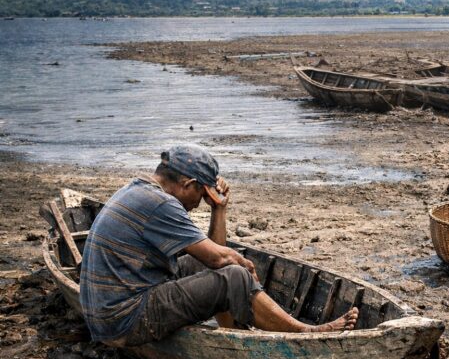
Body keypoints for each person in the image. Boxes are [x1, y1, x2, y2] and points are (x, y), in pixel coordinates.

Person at [79, 144, 358, 347]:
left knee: (224, 266)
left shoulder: (139, 188)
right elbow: (218, 258)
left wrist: (219, 210)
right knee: (234, 274)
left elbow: (209, 253)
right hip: (124, 320)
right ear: (188, 184)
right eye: (202, 195)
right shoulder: (162, 204)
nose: (198, 203)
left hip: (110, 312)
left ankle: (234, 333)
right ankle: (304, 333)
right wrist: (241, 265)